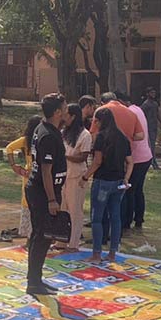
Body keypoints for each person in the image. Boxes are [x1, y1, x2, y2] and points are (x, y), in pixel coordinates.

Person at [24, 94, 68, 294]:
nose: (66, 111)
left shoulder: (46, 129)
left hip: (45, 190)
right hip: (42, 193)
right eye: (64, 108)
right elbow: (46, 170)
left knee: (42, 236)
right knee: (42, 236)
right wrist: (51, 199)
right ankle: (33, 282)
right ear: (57, 112)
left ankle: (36, 278)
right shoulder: (47, 135)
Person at [83, 106, 133, 265]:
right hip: (118, 182)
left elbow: (97, 161)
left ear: (100, 121)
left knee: (97, 218)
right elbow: (130, 162)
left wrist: (85, 176)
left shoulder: (101, 137)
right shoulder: (122, 137)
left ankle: (96, 254)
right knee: (115, 217)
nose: (95, 124)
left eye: (96, 121)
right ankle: (112, 253)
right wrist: (126, 178)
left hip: (103, 181)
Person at [4, 115, 44, 239]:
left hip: (37, 175)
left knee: (34, 202)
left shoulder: (41, 139)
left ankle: (34, 233)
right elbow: (9, 148)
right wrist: (14, 165)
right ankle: (29, 234)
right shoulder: (27, 140)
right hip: (31, 174)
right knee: (28, 202)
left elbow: (9, 148)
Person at [60, 103, 92, 251]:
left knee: (75, 210)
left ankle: (73, 243)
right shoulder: (63, 132)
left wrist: (65, 157)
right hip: (63, 175)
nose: (63, 117)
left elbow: (82, 157)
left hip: (77, 176)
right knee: (62, 208)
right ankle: (61, 240)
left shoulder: (85, 135)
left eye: (66, 114)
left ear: (73, 116)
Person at [120, 91, 153, 231]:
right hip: (146, 156)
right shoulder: (138, 109)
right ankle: (138, 219)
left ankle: (127, 222)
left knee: (129, 190)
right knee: (138, 190)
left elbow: (132, 135)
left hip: (137, 157)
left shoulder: (129, 113)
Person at [141, 87, 161, 170]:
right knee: (151, 145)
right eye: (151, 93)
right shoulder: (145, 105)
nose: (153, 94)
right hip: (148, 127)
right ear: (147, 94)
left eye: (154, 93)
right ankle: (153, 162)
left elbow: (157, 115)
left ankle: (153, 162)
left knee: (152, 145)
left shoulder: (155, 104)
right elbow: (142, 115)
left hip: (154, 127)